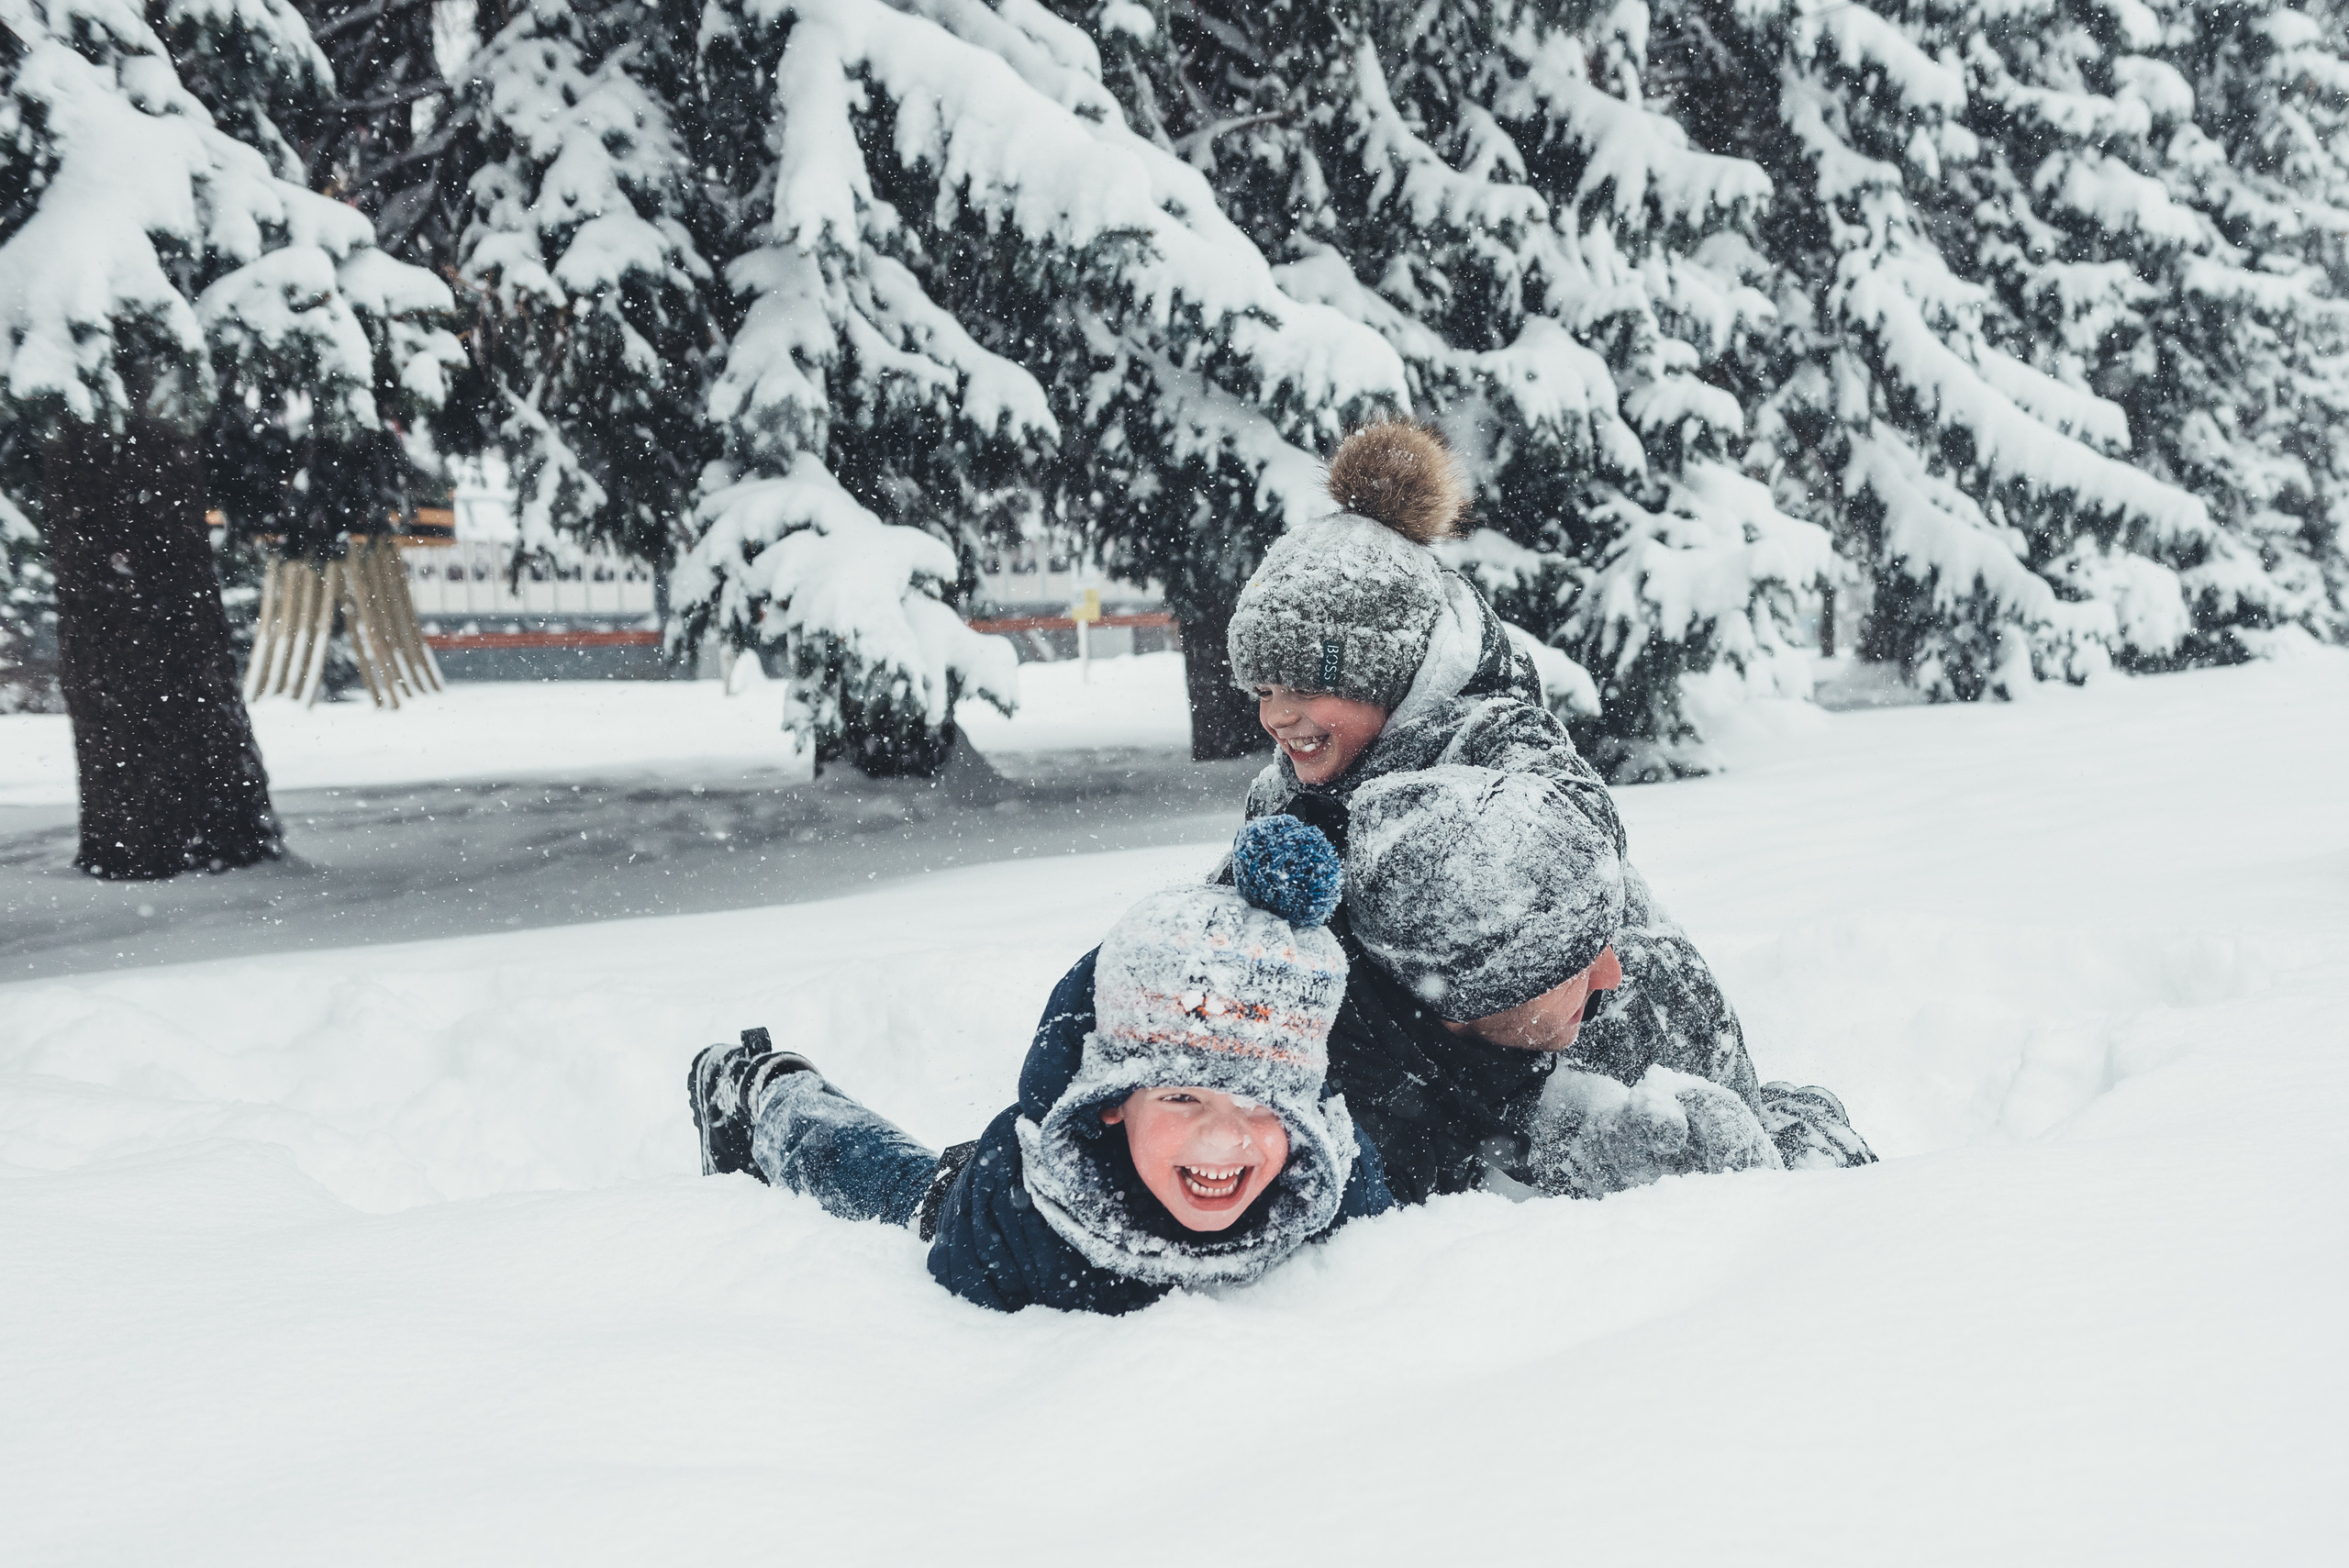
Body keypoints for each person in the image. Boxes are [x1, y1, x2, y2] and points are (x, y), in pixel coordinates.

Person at [1219, 417, 1875, 1202]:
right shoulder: (1290, 791)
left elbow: (1557, 832)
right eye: (1263, 693)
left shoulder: (1493, 743)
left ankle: (1805, 1162)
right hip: (1464, 1064)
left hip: (1600, 1021)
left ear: (1387, 678)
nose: (1277, 717)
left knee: (1672, 1160)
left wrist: (1365, 847)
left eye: (1303, 688)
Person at [686, 817, 1394, 1315]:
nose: (1222, 1138)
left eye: (1259, 1105)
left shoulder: (1330, 1179)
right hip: (981, 1192)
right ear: (1114, 1098)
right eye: (1182, 1097)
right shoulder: (1019, 1218)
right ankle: (766, 1092)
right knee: (885, 1181)